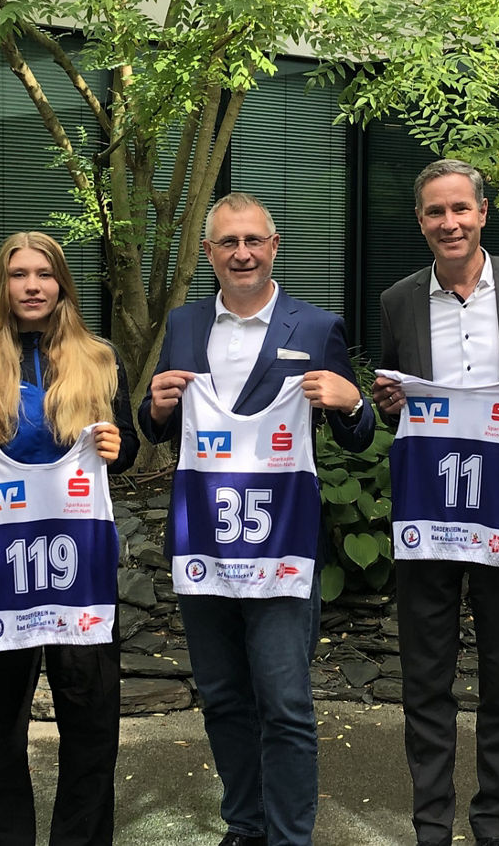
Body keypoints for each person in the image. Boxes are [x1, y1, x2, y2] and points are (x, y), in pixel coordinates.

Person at [138, 192, 374, 846]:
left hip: (282, 549)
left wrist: (352, 403)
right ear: (209, 253)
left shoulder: (318, 326)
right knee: (221, 697)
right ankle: (244, 825)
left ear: (273, 247)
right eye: (227, 243)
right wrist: (154, 409)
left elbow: (358, 435)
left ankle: (289, 836)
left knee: (286, 704)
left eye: (253, 241)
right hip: (204, 547)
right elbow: (153, 425)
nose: (241, 253)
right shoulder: (183, 327)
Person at [372, 159, 499, 846]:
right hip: (429, 516)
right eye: (435, 212)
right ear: (421, 221)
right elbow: (390, 398)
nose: (449, 223)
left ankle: (492, 822)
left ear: (483, 211)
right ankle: (431, 824)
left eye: (460, 209)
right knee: (425, 680)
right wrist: (387, 403)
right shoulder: (399, 300)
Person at [0, 231, 139, 846]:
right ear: (4, 286)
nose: (32, 286)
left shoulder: (102, 360)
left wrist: (118, 445)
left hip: (78, 568)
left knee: (91, 719)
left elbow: (127, 446)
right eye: (19, 274)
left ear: (62, 284)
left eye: (45, 274)